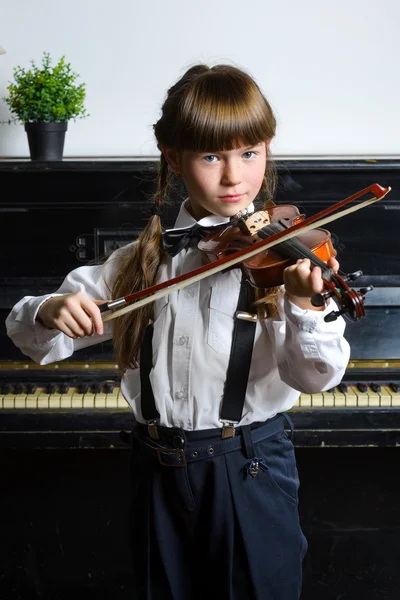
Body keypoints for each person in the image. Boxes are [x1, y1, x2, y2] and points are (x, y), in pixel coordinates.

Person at [6, 63, 350, 600]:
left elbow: (314, 378)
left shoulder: (284, 261)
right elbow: (36, 338)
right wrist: (52, 308)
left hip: (249, 470)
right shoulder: (142, 260)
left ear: (267, 151)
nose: (234, 176)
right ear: (174, 158)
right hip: (157, 472)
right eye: (212, 156)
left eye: (249, 153)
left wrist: (304, 306)